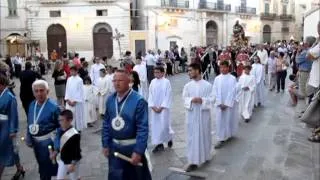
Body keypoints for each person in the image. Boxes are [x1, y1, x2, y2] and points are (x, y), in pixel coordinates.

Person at [102, 69, 151, 180]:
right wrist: (105, 143)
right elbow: (106, 123)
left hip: (132, 148)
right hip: (115, 149)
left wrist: (138, 151)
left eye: (120, 80)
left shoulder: (139, 101)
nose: (117, 83)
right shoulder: (110, 100)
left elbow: (142, 128)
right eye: (114, 80)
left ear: (128, 81)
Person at [25, 80, 60, 180]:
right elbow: (30, 122)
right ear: (33, 93)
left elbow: (61, 128)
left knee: (47, 169)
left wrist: (57, 147)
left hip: (49, 143)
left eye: (42, 90)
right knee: (42, 165)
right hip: (36, 144)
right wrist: (28, 137)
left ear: (47, 91)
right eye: (36, 91)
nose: (39, 93)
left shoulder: (54, 107)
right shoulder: (32, 105)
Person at [182, 63, 213, 172]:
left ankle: (205, 155)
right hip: (191, 116)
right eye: (188, 70)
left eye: (190, 70)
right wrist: (191, 100)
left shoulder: (208, 85)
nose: (189, 72)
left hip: (203, 115)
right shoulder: (187, 86)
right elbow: (184, 99)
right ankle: (193, 161)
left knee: (204, 136)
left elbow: (212, 99)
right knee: (192, 138)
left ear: (198, 71)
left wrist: (202, 100)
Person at [0, 74, 25, 180]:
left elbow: (13, 115)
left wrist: (12, 130)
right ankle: (19, 168)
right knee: (12, 149)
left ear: (2, 85)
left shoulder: (10, 97)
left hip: (6, 126)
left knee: (3, 149)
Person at [212, 61, 238, 149]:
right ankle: (221, 138)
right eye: (221, 67)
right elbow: (215, 91)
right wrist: (219, 103)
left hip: (228, 104)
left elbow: (232, 91)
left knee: (228, 119)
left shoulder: (232, 78)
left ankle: (228, 134)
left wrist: (226, 104)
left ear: (228, 67)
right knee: (219, 120)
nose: (222, 69)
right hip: (220, 104)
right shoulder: (217, 78)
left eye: (224, 67)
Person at [148, 66, 173, 153]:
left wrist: (162, 107)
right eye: (155, 72)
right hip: (154, 109)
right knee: (155, 127)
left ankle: (169, 138)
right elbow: (150, 94)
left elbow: (168, 95)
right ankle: (159, 144)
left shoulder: (166, 82)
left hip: (163, 108)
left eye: (158, 72)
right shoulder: (152, 82)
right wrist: (153, 106)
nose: (156, 74)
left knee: (164, 126)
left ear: (163, 73)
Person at [51, 110, 82, 180]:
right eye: (59, 120)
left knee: (74, 178)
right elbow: (58, 144)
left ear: (70, 120)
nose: (60, 122)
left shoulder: (75, 134)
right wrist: (55, 152)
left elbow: (76, 151)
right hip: (62, 159)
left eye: (62, 120)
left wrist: (73, 164)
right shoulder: (59, 131)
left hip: (72, 161)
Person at [65, 66, 86, 132]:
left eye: (73, 71)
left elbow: (80, 91)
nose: (72, 72)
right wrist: (67, 99)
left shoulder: (80, 80)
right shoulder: (69, 79)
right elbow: (67, 89)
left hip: (76, 102)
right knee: (70, 115)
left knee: (77, 116)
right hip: (69, 100)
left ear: (77, 71)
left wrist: (75, 101)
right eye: (71, 71)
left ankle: (78, 130)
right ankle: (70, 128)